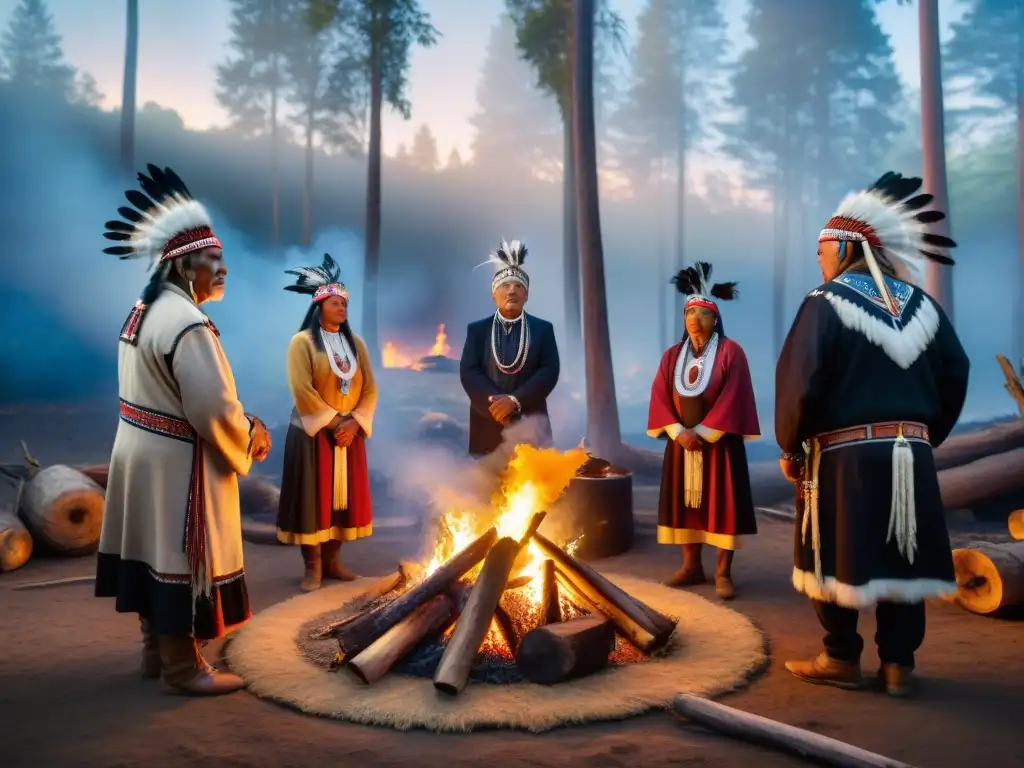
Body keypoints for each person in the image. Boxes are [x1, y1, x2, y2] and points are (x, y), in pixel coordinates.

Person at [776, 171, 969, 697]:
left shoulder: (825, 300)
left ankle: (840, 658)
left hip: (842, 462)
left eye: (822, 250)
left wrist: (791, 446)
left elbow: (801, 380)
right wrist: (924, 437)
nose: (819, 261)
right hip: (912, 455)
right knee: (902, 554)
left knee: (831, 550)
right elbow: (956, 373)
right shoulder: (924, 306)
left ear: (843, 246)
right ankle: (898, 666)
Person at [96, 164, 272, 696]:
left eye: (222, 260)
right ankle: (181, 668)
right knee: (176, 556)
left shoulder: (143, 310)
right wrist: (252, 433)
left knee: (153, 552)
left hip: (140, 450)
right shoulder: (188, 324)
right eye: (210, 262)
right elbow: (213, 409)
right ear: (180, 266)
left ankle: (156, 653)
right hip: (177, 463)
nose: (221, 271)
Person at [646, 262, 760, 599]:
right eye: (689, 313)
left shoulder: (730, 352)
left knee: (723, 505)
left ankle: (723, 572)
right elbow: (660, 394)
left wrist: (706, 432)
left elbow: (735, 394)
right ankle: (691, 566)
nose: (695, 319)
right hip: (681, 444)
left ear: (715, 319)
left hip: (719, 445)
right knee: (685, 506)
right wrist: (678, 431)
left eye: (702, 314)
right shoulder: (671, 357)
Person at [276, 254, 378, 592]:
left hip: (350, 434)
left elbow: (370, 387)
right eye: (336, 303)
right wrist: (335, 423)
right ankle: (313, 567)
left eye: (345, 304)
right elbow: (301, 389)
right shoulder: (301, 343)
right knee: (312, 501)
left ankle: (333, 561)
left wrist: (355, 423)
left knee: (344, 502)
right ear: (319, 305)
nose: (342, 308)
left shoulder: (356, 343)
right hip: (315, 433)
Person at [459, 239, 560, 458]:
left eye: (518, 286)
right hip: (487, 421)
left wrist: (515, 401)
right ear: (494, 294)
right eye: (505, 286)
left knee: (534, 484)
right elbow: (469, 372)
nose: (511, 291)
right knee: (488, 485)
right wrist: (496, 405)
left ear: (527, 295)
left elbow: (549, 371)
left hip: (530, 420)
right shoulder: (477, 330)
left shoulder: (543, 329)